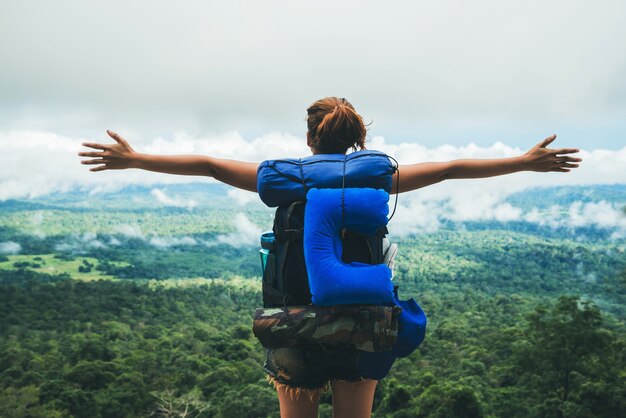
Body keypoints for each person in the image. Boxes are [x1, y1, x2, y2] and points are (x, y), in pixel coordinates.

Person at [78, 96, 582, 418]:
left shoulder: (283, 176)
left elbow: (210, 166)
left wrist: (135, 158)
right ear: (358, 140)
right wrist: (523, 161)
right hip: (363, 322)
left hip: (292, 319)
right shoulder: (373, 176)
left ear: (308, 139)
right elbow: (449, 168)